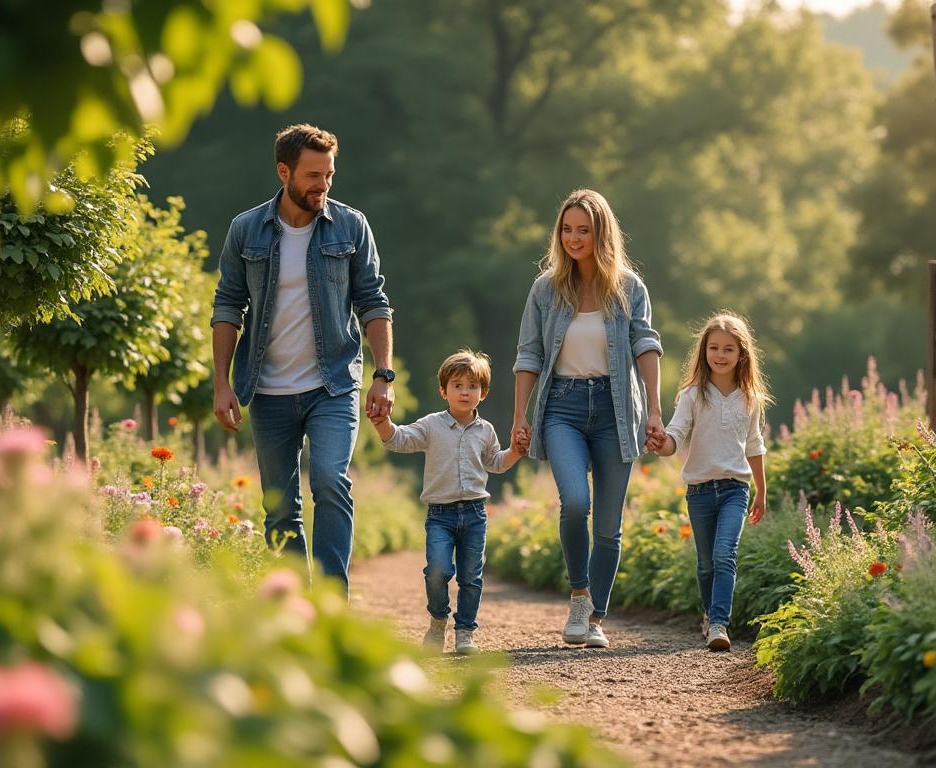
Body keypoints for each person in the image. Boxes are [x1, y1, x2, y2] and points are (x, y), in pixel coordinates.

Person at [211, 124, 395, 592]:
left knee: (331, 481)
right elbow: (228, 306)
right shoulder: (245, 229)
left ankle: (333, 604)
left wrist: (383, 375)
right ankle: (295, 609)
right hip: (267, 391)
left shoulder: (351, 226)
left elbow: (373, 302)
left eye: (329, 175)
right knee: (279, 506)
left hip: (332, 384)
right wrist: (221, 382)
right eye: (313, 175)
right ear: (283, 170)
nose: (323, 185)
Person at [511, 189, 664, 649]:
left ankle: (595, 616)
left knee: (609, 526)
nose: (574, 238)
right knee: (575, 502)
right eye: (567, 229)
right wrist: (519, 416)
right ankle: (579, 593)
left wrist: (655, 409)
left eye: (584, 230)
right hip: (563, 407)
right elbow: (529, 354)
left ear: (602, 233)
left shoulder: (629, 288)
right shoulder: (545, 290)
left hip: (616, 409)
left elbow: (646, 345)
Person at [371, 350, 526, 654]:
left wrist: (516, 452)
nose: (465, 392)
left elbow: (495, 462)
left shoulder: (486, 431)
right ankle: (438, 621)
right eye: (457, 385)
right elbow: (399, 439)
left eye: (472, 386)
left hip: (474, 513)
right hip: (440, 514)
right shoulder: (431, 426)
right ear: (443, 391)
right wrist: (381, 423)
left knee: (472, 576)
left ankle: (466, 631)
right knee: (438, 571)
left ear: (483, 393)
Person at [648, 312, 770, 651]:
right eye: (713, 347)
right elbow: (675, 435)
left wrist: (761, 490)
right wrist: (662, 445)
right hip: (700, 491)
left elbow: (755, 446)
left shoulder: (750, 399)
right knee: (705, 563)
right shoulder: (692, 395)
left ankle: (719, 624)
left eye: (728, 349)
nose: (720, 355)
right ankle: (708, 614)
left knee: (724, 555)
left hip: (735, 488)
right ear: (704, 352)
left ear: (741, 354)